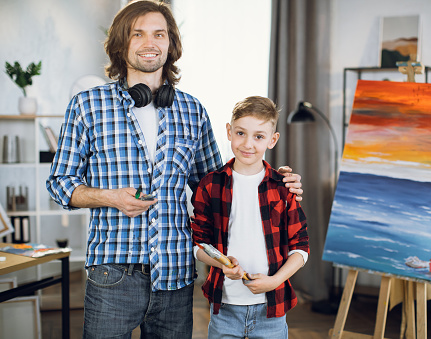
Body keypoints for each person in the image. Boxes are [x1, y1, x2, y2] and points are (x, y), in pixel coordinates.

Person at [46, 1, 302, 338]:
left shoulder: (192, 110)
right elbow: (59, 183)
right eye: (138, 34)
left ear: (171, 44)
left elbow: (217, 186)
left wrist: (275, 180)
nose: (149, 42)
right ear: (122, 44)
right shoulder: (87, 105)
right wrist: (110, 197)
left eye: (158, 34)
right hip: (111, 274)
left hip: (175, 275)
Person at [191, 96, 310, 339]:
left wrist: (274, 281)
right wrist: (222, 264)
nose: (248, 144)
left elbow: (301, 247)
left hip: (272, 309)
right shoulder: (210, 185)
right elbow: (198, 245)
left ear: (272, 140)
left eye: (258, 136)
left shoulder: (283, 188)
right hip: (224, 308)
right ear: (229, 131)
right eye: (241, 133)